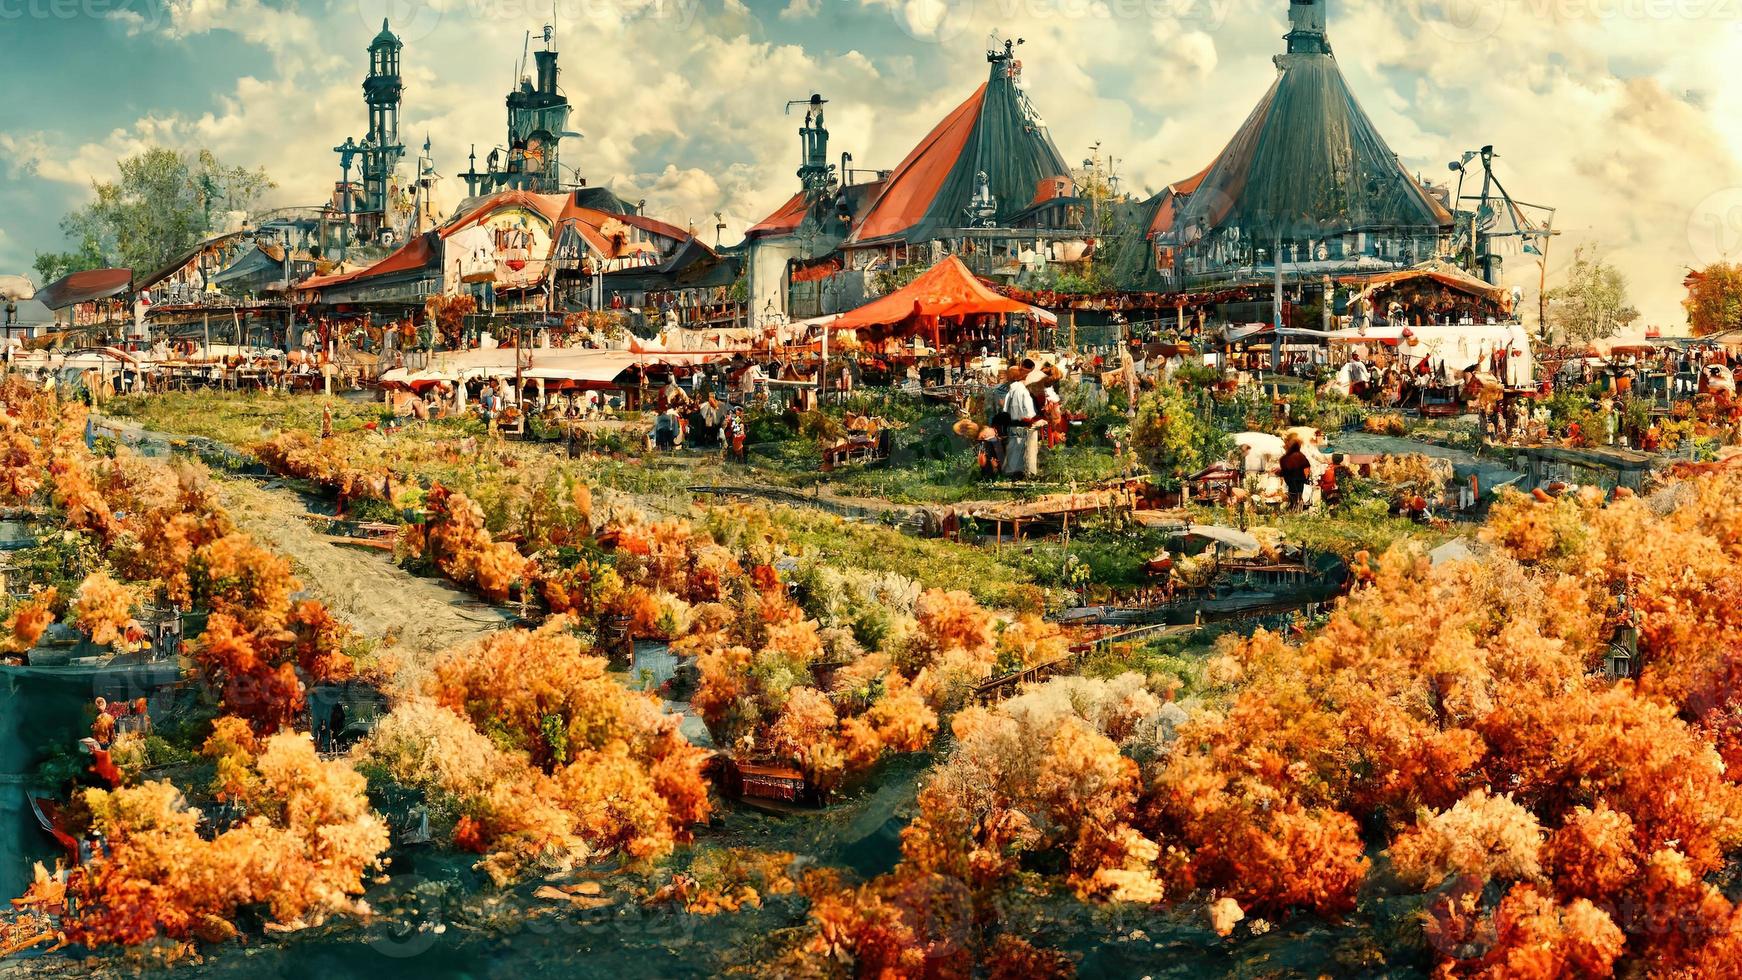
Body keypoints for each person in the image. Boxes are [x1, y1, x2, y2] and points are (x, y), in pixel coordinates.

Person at [1002, 367, 1038, 477]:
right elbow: (1029, 414)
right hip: (1022, 426)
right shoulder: (1023, 391)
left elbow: (1005, 410)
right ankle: (1024, 475)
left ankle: (1011, 474)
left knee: (1013, 451)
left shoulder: (1011, 391)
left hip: (1012, 425)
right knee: (1023, 452)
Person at [1278, 433, 1312, 511]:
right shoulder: (1301, 456)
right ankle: (1298, 508)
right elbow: (1307, 466)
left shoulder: (1284, 458)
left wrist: (1279, 473)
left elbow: (1285, 470)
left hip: (1290, 480)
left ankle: (1293, 508)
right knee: (1299, 494)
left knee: (1293, 495)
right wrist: (1306, 477)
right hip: (1300, 479)